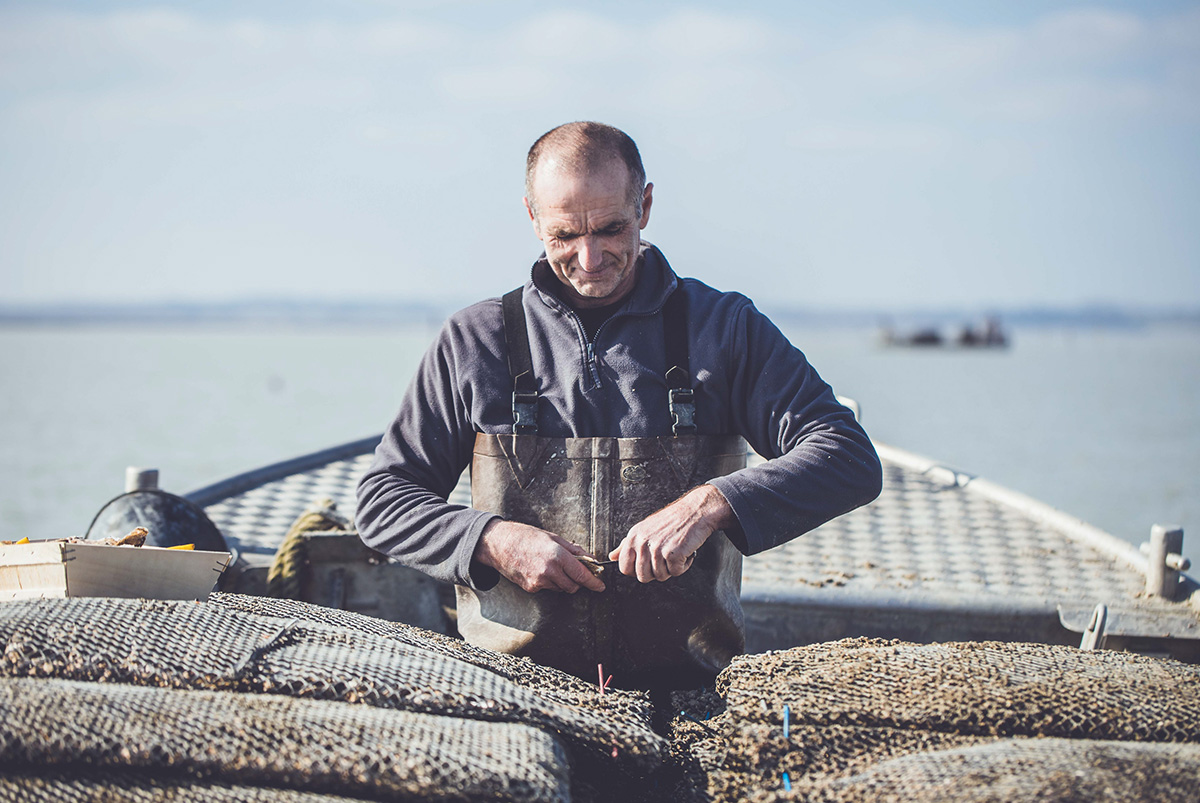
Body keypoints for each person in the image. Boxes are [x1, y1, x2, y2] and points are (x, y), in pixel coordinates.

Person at [357, 121, 882, 687]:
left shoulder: (726, 328)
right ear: (532, 217)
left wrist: (707, 506)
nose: (588, 258)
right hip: (507, 687)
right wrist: (493, 541)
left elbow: (847, 456)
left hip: (691, 683)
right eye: (564, 236)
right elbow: (384, 501)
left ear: (646, 205)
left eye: (610, 228)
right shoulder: (473, 340)